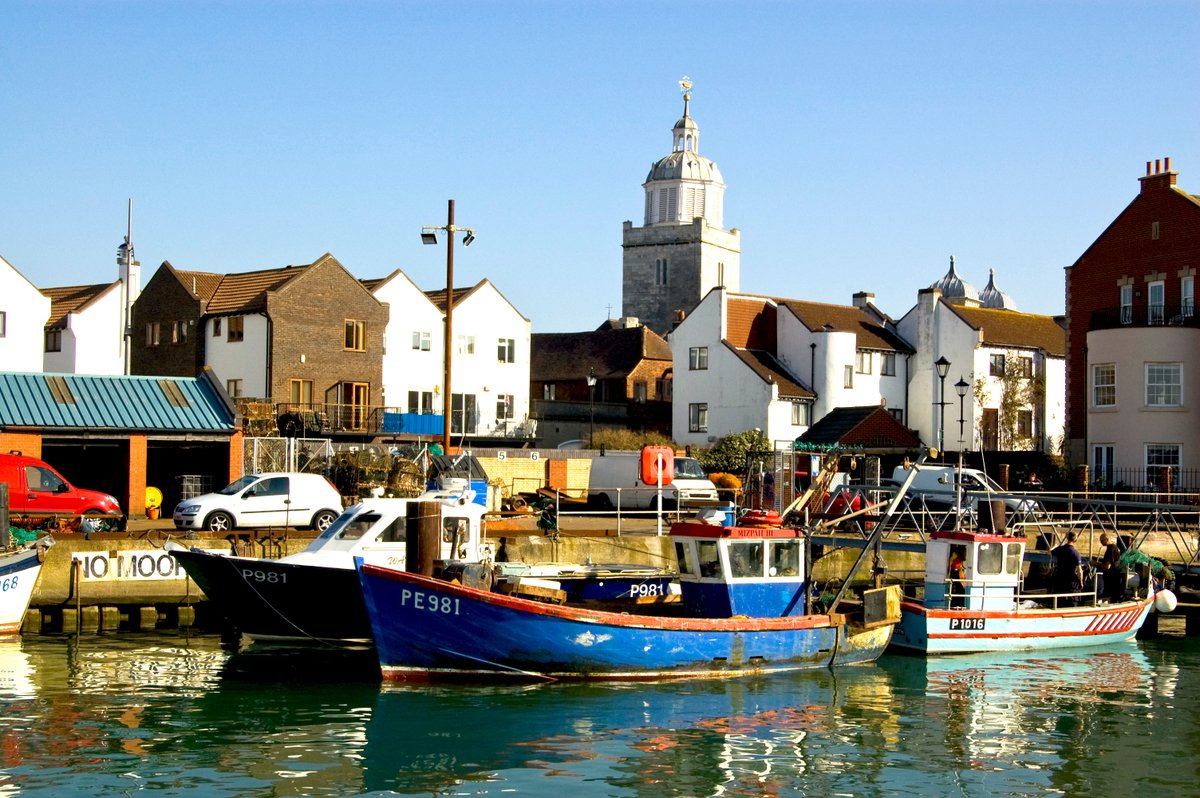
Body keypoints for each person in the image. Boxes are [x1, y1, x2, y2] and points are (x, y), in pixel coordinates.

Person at [1051, 530, 1085, 606]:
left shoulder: (1060, 549)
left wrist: (1055, 546)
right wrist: (1081, 582)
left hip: (1060, 578)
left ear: (1067, 538)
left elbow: (1050, 552)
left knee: (1059, 600)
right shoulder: (1076, 553)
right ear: (1075, 540)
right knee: (1072, 601)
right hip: (1070, 580)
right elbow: (1079, 570)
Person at [1096, 532, 1120, 600]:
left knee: (1108, 595)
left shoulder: (1111, 549)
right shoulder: (1115, 547)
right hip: (1115, 575)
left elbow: (1107, 566)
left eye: (1102, 540)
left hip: (1111, 577)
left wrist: (1096, 564)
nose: (1101, 542)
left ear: (1107, 539)